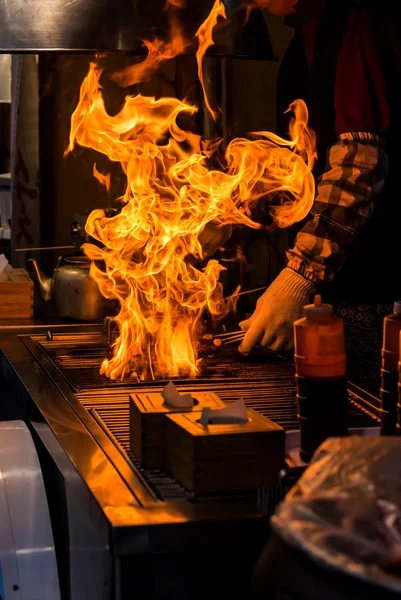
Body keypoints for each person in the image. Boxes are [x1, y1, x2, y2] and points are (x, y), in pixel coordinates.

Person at [237, 0, 401, 380]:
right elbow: (305, 167)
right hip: (334, 292)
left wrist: (300, 276)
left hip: (379, 292)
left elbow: (359, 163)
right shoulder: (303, 36)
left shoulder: (361, 18)